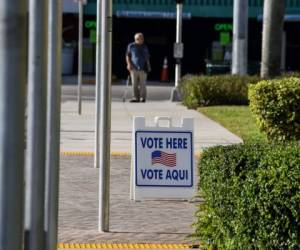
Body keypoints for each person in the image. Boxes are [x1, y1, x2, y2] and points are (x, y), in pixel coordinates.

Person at [126, 33, 151, 103]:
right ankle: (135, 97)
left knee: (142, 84)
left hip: (143, 68)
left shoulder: (145, 46)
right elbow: (128, 55)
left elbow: (147, 58)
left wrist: (148, 66)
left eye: (142, 38)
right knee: (134, 83)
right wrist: (128, 64)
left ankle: (142, 98)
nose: (141, 40)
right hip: (134, 67)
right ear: (136, 39)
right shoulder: (131, 46)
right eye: (139, 38)